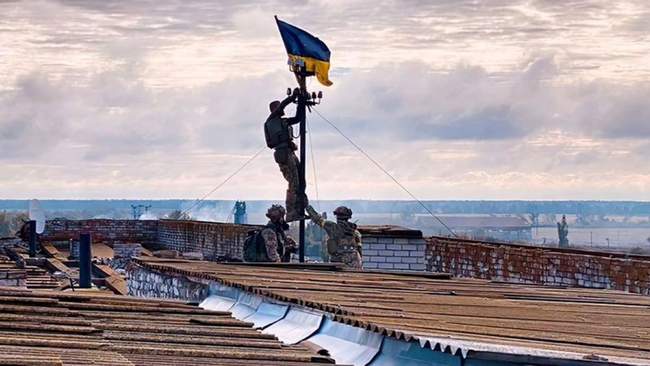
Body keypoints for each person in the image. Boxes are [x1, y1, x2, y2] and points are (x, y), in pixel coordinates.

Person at [264, 88, 307, 222]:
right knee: (293, 182)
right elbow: (282, 106)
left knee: (301, 181)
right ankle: (291, 212)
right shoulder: (271, 121)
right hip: (283, 154)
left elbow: (298, 118)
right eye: (278, 107)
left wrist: (301, 101)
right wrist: (292, 97)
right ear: (274, 109)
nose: (281, 110)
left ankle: (300, 209)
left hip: (289, 152)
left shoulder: (282, 122)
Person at [306, 205, 362, 269]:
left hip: (338, 262)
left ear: (337, 216)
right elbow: (359, 249)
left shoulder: (333, 227)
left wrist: (308, 207)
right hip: (354, 263)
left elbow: (318, 219)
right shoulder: (355, 232)